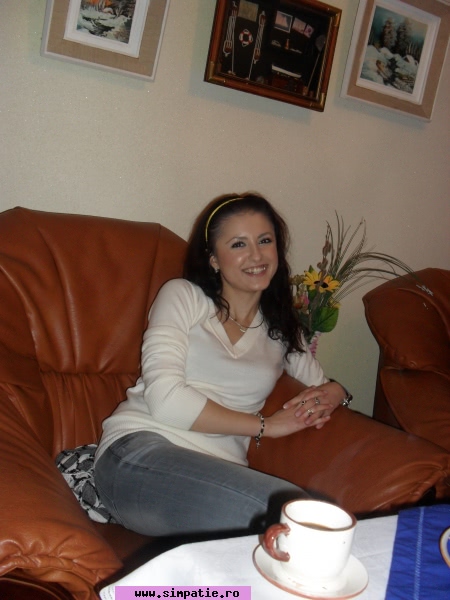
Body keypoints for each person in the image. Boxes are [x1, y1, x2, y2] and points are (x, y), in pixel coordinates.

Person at [94, 192, 350, 538]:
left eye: (265, 240)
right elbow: (166, 400)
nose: (256, 255)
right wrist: (266, 426)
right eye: (238, 244)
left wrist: (337, 391)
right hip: (138, 454)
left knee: (298, 522)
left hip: (220, 476)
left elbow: (318, 389)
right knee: (295, 519)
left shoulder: (281, 330)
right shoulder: (183, 296)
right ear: (213, 259)